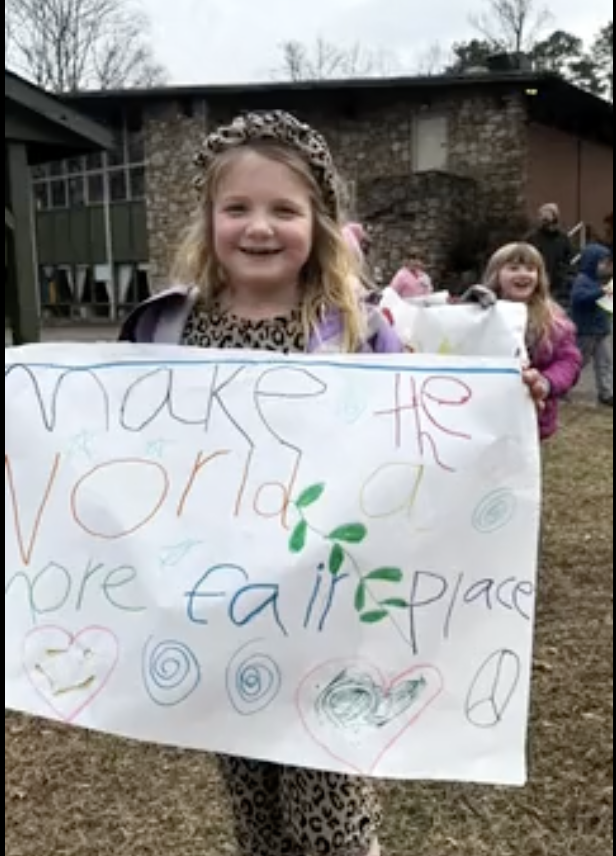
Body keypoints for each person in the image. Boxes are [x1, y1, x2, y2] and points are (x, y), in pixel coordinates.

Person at [120, 111, 549, 855]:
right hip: (224, 604)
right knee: (250, 787)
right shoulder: (172, 328)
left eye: (283, 209)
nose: (260, 227)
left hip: (330, 598)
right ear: (208, 219)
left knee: (328, 788)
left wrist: (505, 398)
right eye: (238, 208)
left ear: (318, 222)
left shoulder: (351, 324)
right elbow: (119, 435)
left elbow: (427, 412)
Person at [484, 242, 583, 440]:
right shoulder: (478, 314)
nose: (523, 273)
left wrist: (546, 382)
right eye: (513, 268)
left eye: (531, 269)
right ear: (495, 274)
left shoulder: (553, 319)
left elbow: (568, 361)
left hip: (533, 419)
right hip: (486, 417)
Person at [571, 243, 613, 407]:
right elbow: (579, 299)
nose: (606, 267)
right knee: (579, 361)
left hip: (601, 330)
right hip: (586, 331)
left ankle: (606, 393)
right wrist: (602, 292)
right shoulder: (583, 281)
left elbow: (606, 306)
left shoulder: (601, 282)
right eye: (603, 262)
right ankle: (562, 387)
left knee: (605, 362)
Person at [527, 203, 574, 308]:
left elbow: (569, 260)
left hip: (558, 285)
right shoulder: (532, 238)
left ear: (555, 216)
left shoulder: (563, 239)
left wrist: (565, 277)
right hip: (537, 282)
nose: (544, 217)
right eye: (541, 214)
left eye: (547, 214)